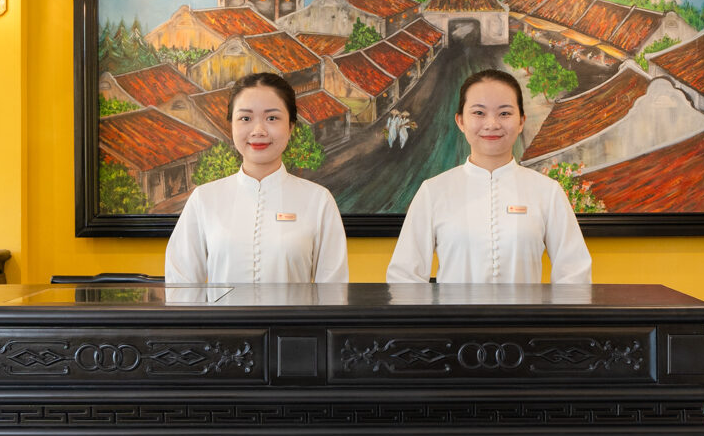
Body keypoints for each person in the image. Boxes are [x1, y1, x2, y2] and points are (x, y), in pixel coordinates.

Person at [386, 69, 592, 284]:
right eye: (479, 113)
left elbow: (575, 274)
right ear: (460, 121)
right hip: (453, 307)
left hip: (526, 307)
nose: (492, 124)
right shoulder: (433, 191)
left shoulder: (547, 192)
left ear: (521, 121)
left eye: (505, 113)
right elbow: (404, 277)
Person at [165, 73, 351, 284]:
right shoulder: (204, 199)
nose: (258, 131)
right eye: (245, 118)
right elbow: (180, 285)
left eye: (272, 118)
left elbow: (333, 289)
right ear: (231, 125)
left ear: (290, 126)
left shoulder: (319, 201)